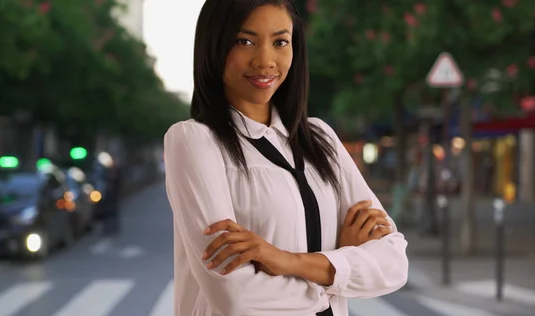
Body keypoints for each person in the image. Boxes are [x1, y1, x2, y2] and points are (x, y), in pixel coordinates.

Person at [163, 1, 409, 315]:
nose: (265, 60)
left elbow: (394, 263)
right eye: (245, 41)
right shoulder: (196, 141)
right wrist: (337, 267)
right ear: (215, 44)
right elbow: (236, 298)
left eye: (280, 42)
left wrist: (284, 261)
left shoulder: (321, 139)